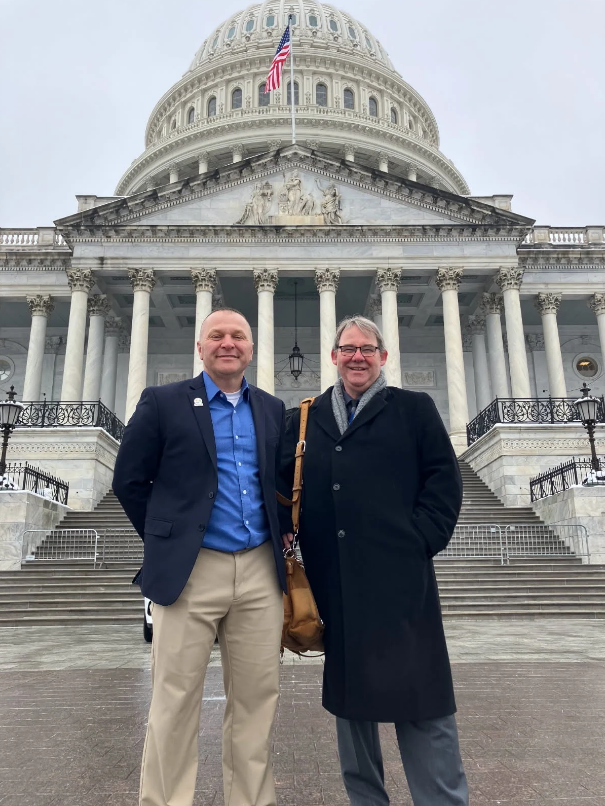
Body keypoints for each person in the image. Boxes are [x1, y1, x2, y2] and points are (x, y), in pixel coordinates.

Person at [279, 315, 469, 806]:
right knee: (351, 708)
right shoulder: (307, 416)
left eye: (367, 348)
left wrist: (419, 539)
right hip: (336, 583)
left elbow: (444, 482)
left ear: (383, 356)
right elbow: (280, 489)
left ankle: (442, 799)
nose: (357, 356)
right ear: (334, 356)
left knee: (422, 701)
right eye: (348, 348)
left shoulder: (413, 408)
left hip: (400, 581)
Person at [113, 307, 287, 806]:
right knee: (174, 701)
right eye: (217, 335)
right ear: (201, 347)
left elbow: (279, 488)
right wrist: (169, 537)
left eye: (238, 336)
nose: (227, 343)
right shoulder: (163, 402)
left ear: (251, 348)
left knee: (257, 703)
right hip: (192, 568)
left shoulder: (272, 409)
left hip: (258, 570)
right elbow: (129, 480)